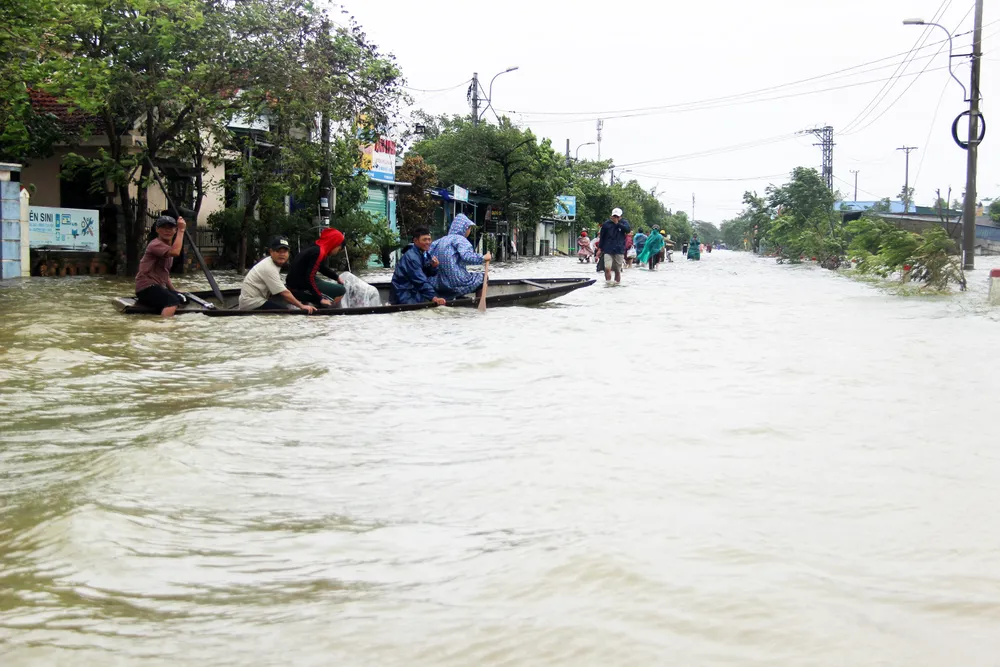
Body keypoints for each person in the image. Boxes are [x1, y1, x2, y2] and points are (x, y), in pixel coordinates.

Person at [238, 236, 317, 312]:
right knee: (285, 313)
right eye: (278, 251)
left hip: (257, 299)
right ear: (271, 252)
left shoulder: (272, 263)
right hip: (252, 303)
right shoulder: (268, 267)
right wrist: (301, 306)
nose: (282, 254)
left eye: (285, 251)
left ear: (288, 253)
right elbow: (284, 293)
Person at [135, 215, 188, 317]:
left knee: (183, 298)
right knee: (172, 301)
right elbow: (176, 252)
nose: (167, 231)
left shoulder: (167, 248)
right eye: (164, 228)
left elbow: (165, 274)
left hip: (157, 287)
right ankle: (164, 327)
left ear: (174, 230)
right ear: (157, 230)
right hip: (146, 288)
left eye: (170, 228)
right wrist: (181, 230)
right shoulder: (155, 244)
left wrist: (174, 290)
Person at [429, 214, 492, 299]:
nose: (469, 231)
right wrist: (484, 258)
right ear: (464, 228)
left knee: (473, 270)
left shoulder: (440, 240)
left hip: (438, 282)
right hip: (456, 281)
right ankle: (479, 301)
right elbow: (467, 256)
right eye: (469, 228)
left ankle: (458, 296)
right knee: (483, 275)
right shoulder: (460, 240)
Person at [285, 228, 346, 307]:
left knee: (333, 286)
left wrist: (337, 277)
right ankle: (330, 311)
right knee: (341, 290)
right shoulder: (319, 252)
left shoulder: (315, 248)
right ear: (335, 243)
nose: (336, 252)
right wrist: (320, 298)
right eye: (339, 249)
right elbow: (310, 277)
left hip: (298, 281)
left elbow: (321, 267)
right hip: (299, 287)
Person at [391, 226, 446, 306]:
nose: (428, 242)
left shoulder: (424, 253)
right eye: (424, 239)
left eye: (429, 239)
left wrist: (433, 266)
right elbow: (419, 279)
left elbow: (427, 272)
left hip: (415, 291)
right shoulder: (412, 257)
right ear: (415, 241)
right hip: (404, 293)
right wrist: (433, 297)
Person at [598, 207, 631, 283]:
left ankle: (617, 283)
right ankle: (608, 283)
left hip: (619, 250)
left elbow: (627, 230)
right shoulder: (606, 224)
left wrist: (618, 224)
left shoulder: (624, 223)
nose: (615, 218)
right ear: (611, 216)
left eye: (617, 217)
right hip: (608, 249)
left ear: (620, 217)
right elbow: (602, 237)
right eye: (614, 216)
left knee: (617, 270)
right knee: (607, 268)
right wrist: (600, 249)